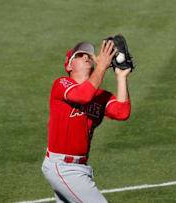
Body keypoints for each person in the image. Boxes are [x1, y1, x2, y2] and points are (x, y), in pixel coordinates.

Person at [41, 40, 131, 203]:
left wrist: (121, 77)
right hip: (63, 167)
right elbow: (83, 95)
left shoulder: (102, 96)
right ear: (69, 66)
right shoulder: (62, 84)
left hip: (80, 167)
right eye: (79, 55)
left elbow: (122, 112)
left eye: (88, 55)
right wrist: (102, 66)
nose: (86, 57)